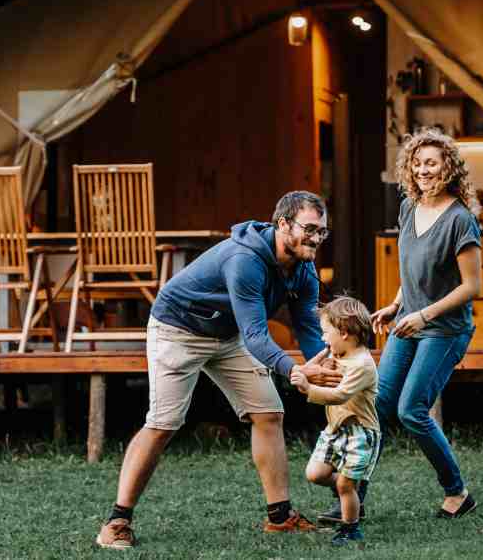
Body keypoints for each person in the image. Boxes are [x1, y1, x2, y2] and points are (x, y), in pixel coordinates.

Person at [96, 191, 343, 550]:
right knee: (163, 424)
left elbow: (306, 323)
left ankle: (280, 517)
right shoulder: (245, 260)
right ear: (283, 224)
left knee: (269, 413)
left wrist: (328, 363)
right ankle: (117, 521)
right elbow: (257, 334)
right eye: (309, 229)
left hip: (228, 334)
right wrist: (295, 372)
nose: (316, 239)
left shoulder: (304, 267)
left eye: (322, 231)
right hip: (178, 329)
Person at [369, 127, 482, 519]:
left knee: (411, 410)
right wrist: (396, 305)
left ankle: (457, 492)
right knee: (378, 407)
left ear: (448, 167)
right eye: (416, 163)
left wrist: (423, 315)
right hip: (408, 322)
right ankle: (351, 497)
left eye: (431, 163)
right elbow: (414, 270)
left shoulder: (460, 220)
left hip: (444, 329)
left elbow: (472, 286)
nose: (422, 170)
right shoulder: (407, 208)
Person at [291, 296, 380, 547]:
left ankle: (350, 528)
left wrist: (309, 388)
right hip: (336, 429)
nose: (322, 338)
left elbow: (340, 395)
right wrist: (313, 368)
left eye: (325, 333)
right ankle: (349, 487)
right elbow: (309, 372)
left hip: (361, 432)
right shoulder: (336, 353)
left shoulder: (362, 365)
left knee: (344, 485)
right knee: (315, 473)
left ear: (343, 333)